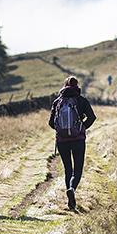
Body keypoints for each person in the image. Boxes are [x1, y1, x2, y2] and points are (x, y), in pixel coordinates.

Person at [49, 76, 96, 210]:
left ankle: (71, 202)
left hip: (62, 141)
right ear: (77, 86)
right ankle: (71, 189)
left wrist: (61, 130)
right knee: (78, 169)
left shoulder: (58, 101)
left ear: (64, 85)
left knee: (68, 169)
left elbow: (51, 123)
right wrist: (82, 127)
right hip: (78, 140)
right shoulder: (81, 100)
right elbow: (92, 117)